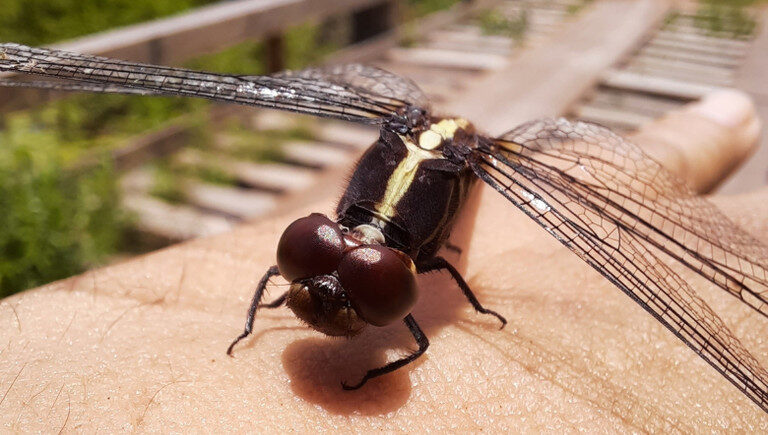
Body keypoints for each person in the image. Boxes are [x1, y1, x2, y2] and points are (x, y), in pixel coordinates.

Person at [1, 91, 766, 431]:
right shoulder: (335, 261)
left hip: (471, 161)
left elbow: (436, 290)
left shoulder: (423, 269)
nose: (320, 284)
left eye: (369, 281)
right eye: (310, 258)